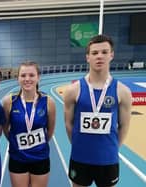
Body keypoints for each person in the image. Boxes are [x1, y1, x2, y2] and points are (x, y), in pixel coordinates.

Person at [63, 34, 132, 187]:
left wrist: (112, 147)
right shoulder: (73, 90)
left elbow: (124, 126)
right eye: (94, 53)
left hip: (108, 159)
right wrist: (78, 145)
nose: (99, 56)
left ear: (111, 55)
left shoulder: (123, 92)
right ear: (87, 57)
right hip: (80, 158)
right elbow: (68, 124)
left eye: (104, 52)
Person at [2, 61, 56, 187]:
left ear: (38, 77)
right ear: (18, 78)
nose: (27, 79)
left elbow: (50, 130)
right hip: (18, 158)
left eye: (31, 75)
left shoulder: (48, 102)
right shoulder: (9, 102)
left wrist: (38, 146)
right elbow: (6, 129)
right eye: (23, 75)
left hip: (40, 158)